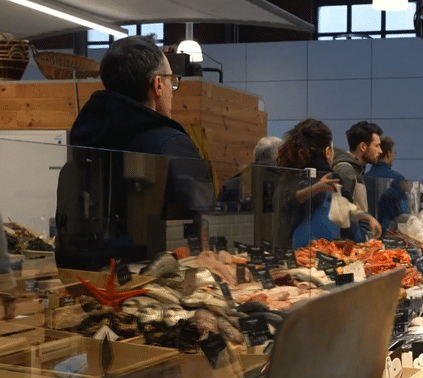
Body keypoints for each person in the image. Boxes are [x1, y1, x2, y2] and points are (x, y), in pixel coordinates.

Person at [55, 35, 214, 269]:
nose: (173, 89)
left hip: (85, 278)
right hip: (151, 284)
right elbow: (201, 225)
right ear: (158, 85)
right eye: (172, 81)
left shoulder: (85, 138)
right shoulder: (171, 145)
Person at [276, 119, 376, 249]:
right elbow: (350, 228)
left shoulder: (289, 177)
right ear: (328, 151)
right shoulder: (329, 179)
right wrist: (364, 225)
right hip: (322, 256)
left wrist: (362, 216)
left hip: (291, 256)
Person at [332, 121, 383, 239]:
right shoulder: (346, 170)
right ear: (362, 147)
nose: (380, 151)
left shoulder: (356, 170)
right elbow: (342, 211)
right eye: (376, 146)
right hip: (347, 244)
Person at [216, 136, 282, 209]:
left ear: (255, 155)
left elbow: (217, 215)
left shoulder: (230, 185)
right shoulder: (284, 184)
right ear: (276, 157)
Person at [364, 137, 409, 236]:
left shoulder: (364, 177)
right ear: (388, 153)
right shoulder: (398, 178)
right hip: (389, 233)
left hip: (368, 231)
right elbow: (404, 213)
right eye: (393, 153)